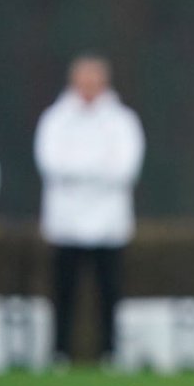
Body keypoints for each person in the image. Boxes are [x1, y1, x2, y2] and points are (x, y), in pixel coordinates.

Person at [35, 54, 144, 368]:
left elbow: (125, 168)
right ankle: (60, 352)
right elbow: (51, 164)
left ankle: (110, 352)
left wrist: (78, 170)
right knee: (63, 292)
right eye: (83, 81)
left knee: (109, 291)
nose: (88, 88)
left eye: (94, 81)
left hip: (109, 223)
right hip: (66, 222)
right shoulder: (55, 119)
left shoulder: (122, 120)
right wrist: (98, 168)